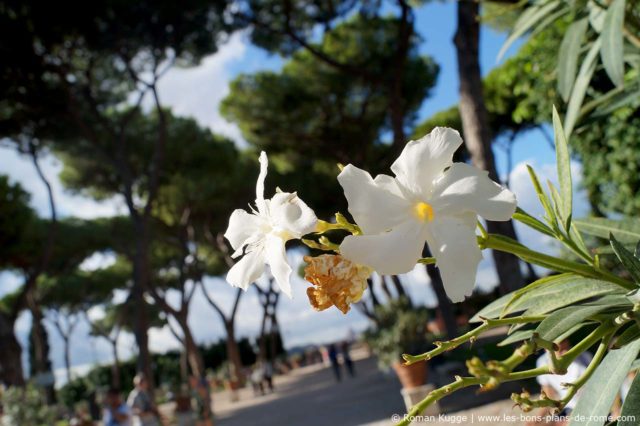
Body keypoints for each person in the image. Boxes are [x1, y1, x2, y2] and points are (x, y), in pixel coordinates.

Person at [534, 339, 591, 424]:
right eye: (559, 350)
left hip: (587, 405)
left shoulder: (583, 358)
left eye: (563, 341)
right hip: (566, 407)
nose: (563, 352)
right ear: (546, 349)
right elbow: (548, 395)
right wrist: (537, 419)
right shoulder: (542, 363)